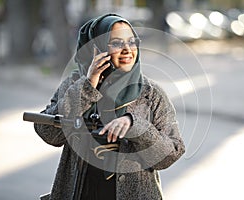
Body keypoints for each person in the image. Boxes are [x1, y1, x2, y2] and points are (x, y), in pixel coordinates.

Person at [34, 13, 185, 200]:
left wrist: (135, 125)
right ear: (96, 48)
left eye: (132, 41)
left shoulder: (151, 93)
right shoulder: (73, 85)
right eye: (116, 43)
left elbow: (171, 154)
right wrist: (88, 86)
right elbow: (49, 133)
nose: (127, 49)